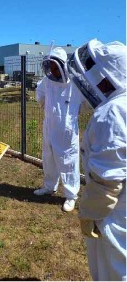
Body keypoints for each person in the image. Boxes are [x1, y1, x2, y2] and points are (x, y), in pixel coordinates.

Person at [66, 39, 126, 281]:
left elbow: (107, 181)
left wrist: (89, 214)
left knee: (113, 271)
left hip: (115, 214)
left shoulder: (112, 112)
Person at [34, 47, 85, 212]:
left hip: (67, 132)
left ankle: (71, 195)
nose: (54, 71)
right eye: (51, 68)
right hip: (49, 127)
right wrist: (47, 108)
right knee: (48, 158)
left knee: (68, 162)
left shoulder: (75, 83)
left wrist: (71, 116)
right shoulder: (46, 81)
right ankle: (50, 186)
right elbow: (39, 95)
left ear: (63, 66)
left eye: (56, 68)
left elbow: (85, 103)